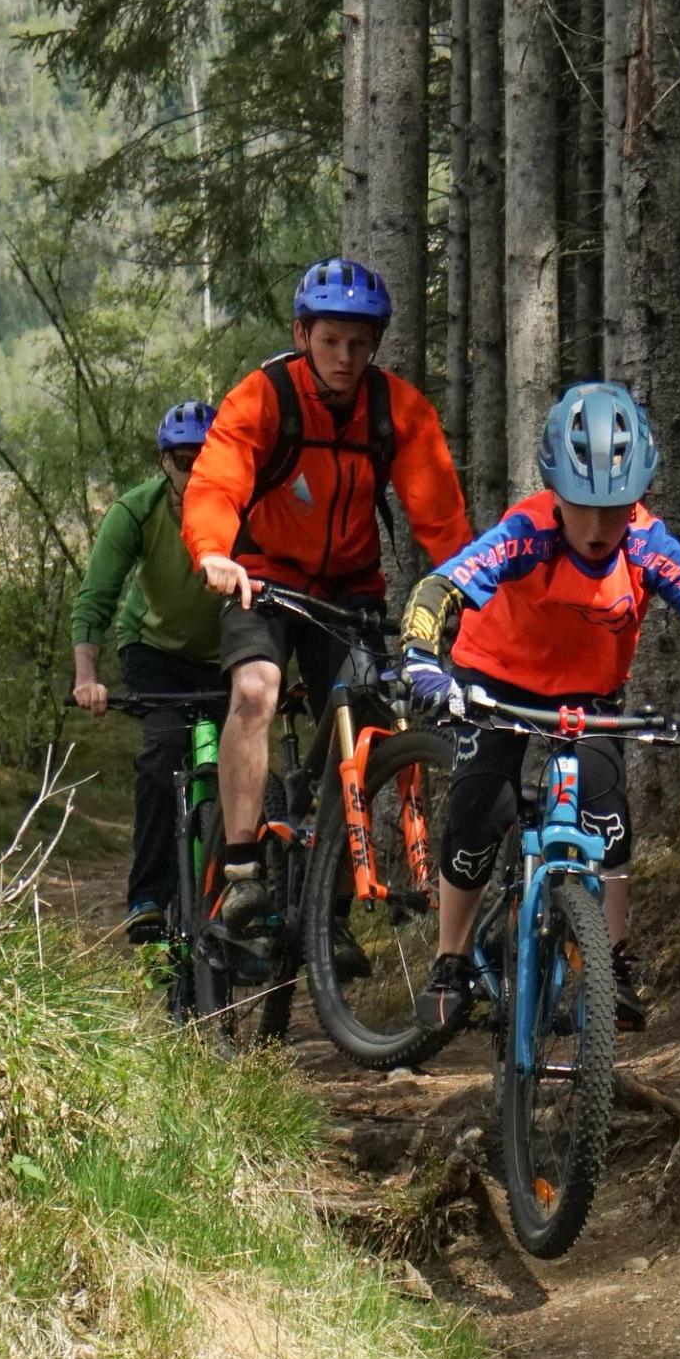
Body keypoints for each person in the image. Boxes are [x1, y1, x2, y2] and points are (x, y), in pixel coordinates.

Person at [395, 382, 680, 1033]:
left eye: (614, 510)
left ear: (638, 496)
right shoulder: (525, 532)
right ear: (556, 491)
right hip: (497, 679)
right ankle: (450, 961)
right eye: (581, 506)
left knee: (608, 814)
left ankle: (613, 963)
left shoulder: (647, 545)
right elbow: (441, 586)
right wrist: (422, 659)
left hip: (588, 694)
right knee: (477, 808)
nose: (594, 528)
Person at [180, 257, 477, 926]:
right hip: (263, 578)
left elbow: (442, 518)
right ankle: (241, 866)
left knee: (364, 729)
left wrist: (467, 587)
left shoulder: (395, 409)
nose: (344, 357)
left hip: (348, 589)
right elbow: (217, 481)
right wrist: (213, 553)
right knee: (255, 691)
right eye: (330, 341)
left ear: (375, 346)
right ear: (303, 334)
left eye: (359, 344)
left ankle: (329, 908)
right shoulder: (265, 397)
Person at [70, 399, 224, 941]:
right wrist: (86, 678)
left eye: (206, 460)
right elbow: (95, 600)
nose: (194, 471)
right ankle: (149, 896)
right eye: (184, 461)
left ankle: (240, 908)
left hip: (224, 653)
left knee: (246, 768)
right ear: (165, 463)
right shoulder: (136, 511)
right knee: (164, 750)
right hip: (152, 648)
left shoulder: (246, 511)